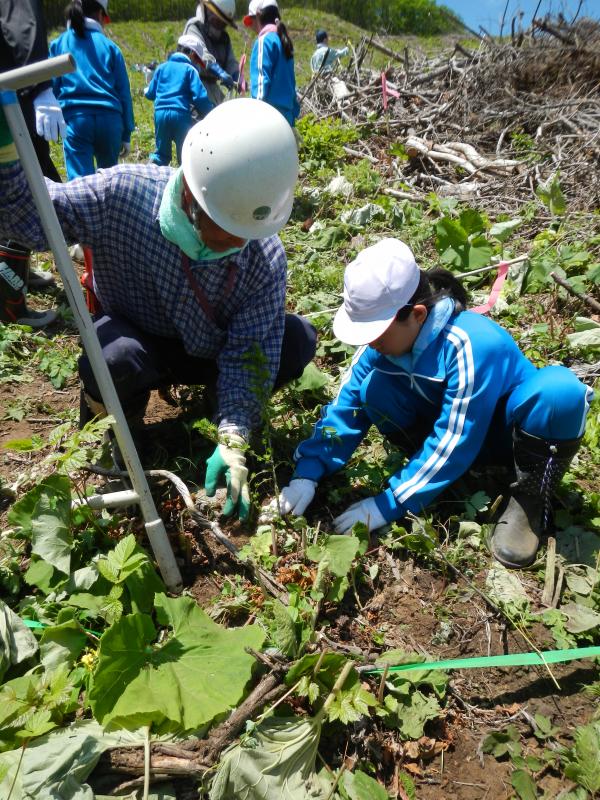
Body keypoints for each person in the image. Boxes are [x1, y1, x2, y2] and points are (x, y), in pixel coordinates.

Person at [0, 97, 316, 521]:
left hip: (211, 352)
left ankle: (216, 409)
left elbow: (249, 353)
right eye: (225, 233)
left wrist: (235, 436)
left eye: (244, 234)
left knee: (295, 340)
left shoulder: (263, 257)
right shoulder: (122, 195)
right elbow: (32, 217)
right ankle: (118, 428)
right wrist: (5, 155)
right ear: (191, 194)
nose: (236, 246)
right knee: (112, 358)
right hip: (137, 338)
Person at [278, 238, 593, 569]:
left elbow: (456, 438)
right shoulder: (380, 345)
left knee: (561, 393)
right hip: (448, 433)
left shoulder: (470, 344)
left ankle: (528, 501)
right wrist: (308, 472)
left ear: (416, 314)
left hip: (503, 436)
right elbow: (347, 406)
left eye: (377, 332)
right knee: (373, 387)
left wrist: (391, 502)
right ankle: (431, 475)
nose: (371, 342)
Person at [0, 0, 64, 327]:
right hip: (13, 98)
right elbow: (20, 21)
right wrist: (40, 85)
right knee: (21, 196)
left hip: (11, 92)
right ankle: (10, 300)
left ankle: (16, 273)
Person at [49, 0, 134, 180]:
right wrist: (126, 133)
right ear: (100, 15)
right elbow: (124, 93)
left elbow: (53, 86)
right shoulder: (111, 47)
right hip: (111, 121)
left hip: (77, 120)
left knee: (80, 185)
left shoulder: (59, 44)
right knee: (109, 183)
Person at [145, 35, 214, 167]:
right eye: (196, 60)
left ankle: (153, 170)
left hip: (160, 114)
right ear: (192, 53)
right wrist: (209, 114)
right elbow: (199, 97)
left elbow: (150, 93)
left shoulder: (161, 67)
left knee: (161, 154)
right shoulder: (190, 70)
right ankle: (184, 183)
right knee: (185, 154)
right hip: (180, 115)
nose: (196, 64)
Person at [244, 0, 299, 128]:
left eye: (251, 21)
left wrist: (254, 114)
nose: (251, 27)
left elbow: (261, 81)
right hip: (287, 117)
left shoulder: (264, 41)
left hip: (269, 118)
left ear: (258, 15)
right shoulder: (284, 42)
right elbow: (292, 82)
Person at [183, 1, 239, 107]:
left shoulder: (224, 38)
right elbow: (200, 54)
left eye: (223, 24)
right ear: (206, 11)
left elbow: (231, 62)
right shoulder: (194, 27)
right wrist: (218, 71)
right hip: (193, 86)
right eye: (217, 21)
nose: (220, 27)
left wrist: (237, 76)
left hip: (212, 88)